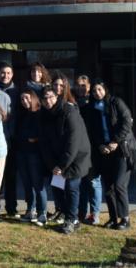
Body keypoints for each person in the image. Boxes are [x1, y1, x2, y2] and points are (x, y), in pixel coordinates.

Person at [81, 80, 136, 231]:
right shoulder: (91, 108)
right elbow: (92, 130)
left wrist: (115, 141)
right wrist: (100, 145)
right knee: (108, 186)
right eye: (94, 91)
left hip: (123, 150)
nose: (97, 93)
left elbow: (127, 122)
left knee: (119, 185)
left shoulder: (116, 102)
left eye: (99, 89)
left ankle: (125, 219)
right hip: (105, 152)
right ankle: (113, 218)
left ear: (105, 89)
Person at [39, 85, 92, 235]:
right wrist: (53, 165)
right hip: (57, 159)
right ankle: (67, 215)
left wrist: (62, 165)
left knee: (71, 187)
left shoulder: (69, 111)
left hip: (76, 157)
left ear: (57, 97)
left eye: (51, 97)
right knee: (58, 187)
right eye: (45, 98)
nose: (48, 101)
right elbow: (44, 143)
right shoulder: (44, 115)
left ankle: (72, 220)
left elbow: (73, 141)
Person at [15, 88, 48, 226]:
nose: (25, 101)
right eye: (22, 99)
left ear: (34, 98)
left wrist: (34, 138)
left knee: (38, 184)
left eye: (27, 98)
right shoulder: (22, 113)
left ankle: (42, 213)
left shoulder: (41, 113)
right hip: (22, 152)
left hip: (35, 154)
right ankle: (31, 210)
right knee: (27, 184)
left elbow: (44, 134)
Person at [73, 74, 100, 224]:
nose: (80, 88)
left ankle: (94, 214)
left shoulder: (95, 102)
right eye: (78, 85)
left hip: (93, 148)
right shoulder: (74, 102)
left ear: (89, 86)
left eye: (83, 85)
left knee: (93, 182)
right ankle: (81, 213)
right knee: (81, 183)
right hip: (79, 148)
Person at [0, 62, 20, 218]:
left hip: (13, 139)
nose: (5, 76)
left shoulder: (17, 92)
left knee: (11, 175)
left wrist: (13, 134)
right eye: (3, 73)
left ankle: (11, 207)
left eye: (9, 73)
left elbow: (18, 116)